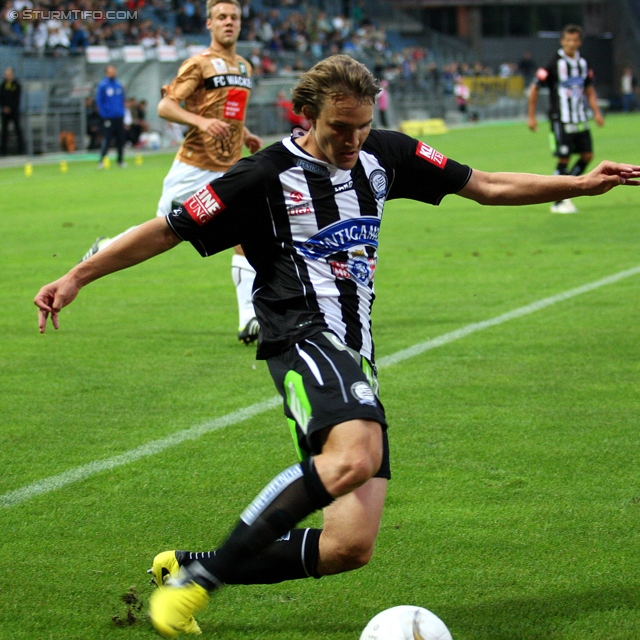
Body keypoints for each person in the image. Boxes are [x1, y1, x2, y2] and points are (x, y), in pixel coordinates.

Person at [34, 55, 639, 639]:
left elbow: (484, 184)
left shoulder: (389, 154)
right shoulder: (262, 176)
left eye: (363, 125)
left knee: (349, 546)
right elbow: (167, 230)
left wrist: (580, 184)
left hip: (357, 355)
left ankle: (184, 563)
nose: (352, 140)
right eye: (339, 128)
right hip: (300, 336)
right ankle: (200, 583)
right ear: (305, 116)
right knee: (354, 455)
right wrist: (77, 276)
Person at [82, 0, 264, 344]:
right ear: (209, 24)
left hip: (226, 168)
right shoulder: (198, 64)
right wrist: (200, 121)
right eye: (221, 17)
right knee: (160, 232)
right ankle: (106, 246)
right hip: (192, 168)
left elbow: (230, 111)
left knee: (245, 234)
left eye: (234, 17)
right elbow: (166, 106)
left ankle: (249, 320)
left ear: (241, 23)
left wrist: (245, 133)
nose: (229, 22)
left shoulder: (244, 66)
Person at [527, 24, 605, 214]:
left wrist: (596, 112)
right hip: (560, 118)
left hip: (579, 117)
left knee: (587, 155)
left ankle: (566, 190)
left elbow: (589, 89)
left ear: (579, 42)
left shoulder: (584, 63)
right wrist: (531, 116)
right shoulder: (553, 63)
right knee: (564, 158)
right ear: (562, 41)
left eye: (575, 40)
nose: (571, 43)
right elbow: (535, 87)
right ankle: (557, 201)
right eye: (568, 40)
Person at [96, 65, 126, 168]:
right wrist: (104, 115)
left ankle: (120, 160)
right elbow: (99, 101)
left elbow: (122, 100)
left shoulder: (119, 85)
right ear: (106, 72)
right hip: (108, 117)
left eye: (114, 70)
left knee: (120, 139)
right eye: (111, 71)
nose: (113, 72)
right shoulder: (103, 85)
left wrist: (122, 112)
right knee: (107, 139)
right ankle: (102, 160)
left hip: (119, 116)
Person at [0, 67, 24, 156]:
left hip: (14, 112)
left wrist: (10, 107)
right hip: (4, 112)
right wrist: (4, 107)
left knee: (18, 130)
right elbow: (1, 98)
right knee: (4, 131)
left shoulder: (16, 85)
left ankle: (21, 150)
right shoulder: (3, 85)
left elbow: (17, 99)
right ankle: (3, 151)